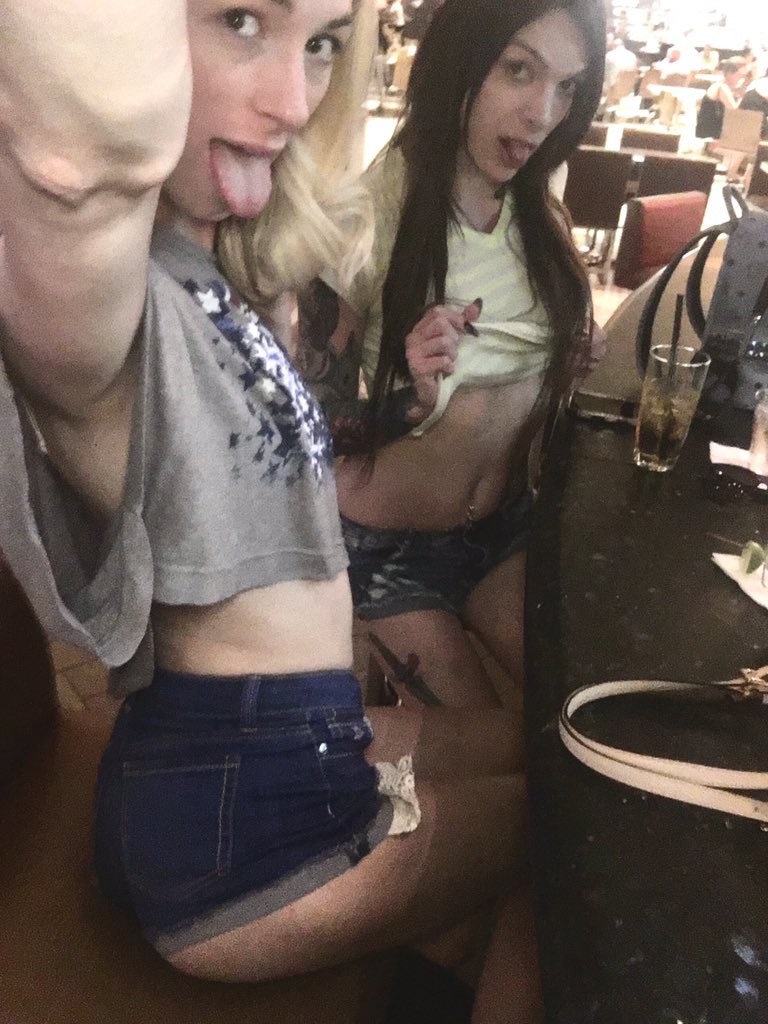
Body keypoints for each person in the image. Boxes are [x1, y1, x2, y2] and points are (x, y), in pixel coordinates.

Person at [0, 1, 538, 1018]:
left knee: (547, 750)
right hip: (235, 831)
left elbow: (264, 470)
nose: (295, 101)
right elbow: (80, 157)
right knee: (576, 838)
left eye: (323, 42)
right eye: (242, 20)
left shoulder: (198, 266)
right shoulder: (94, 301)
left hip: (282, 748)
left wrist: (399, 403)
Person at [299, 0, 607, 709]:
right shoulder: (370, 212)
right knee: (498, 746)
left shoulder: (540, 204)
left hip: (500, 531)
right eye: (519, 69)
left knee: (577, 713)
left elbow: (520, 384)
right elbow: (306, 435)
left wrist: (566, 365)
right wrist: (409, 401)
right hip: (389, 547)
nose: (542, 114)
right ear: (459, 62)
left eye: (567, 86)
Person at [696, 59, 745, 140]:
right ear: (729, 74)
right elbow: (734, 112)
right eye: (738, 75)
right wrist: (741, 97)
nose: (741, 78)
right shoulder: (722, 88)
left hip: (708, 129)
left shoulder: (720, 86)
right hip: (711, 132)